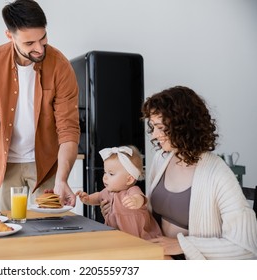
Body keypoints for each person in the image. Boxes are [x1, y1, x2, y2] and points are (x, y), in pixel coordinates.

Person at [100, 85, 257, 259]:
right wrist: (117, 209)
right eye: (153, 127)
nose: (154, 135)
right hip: (156, 255)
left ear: (182, 126)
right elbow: (147, 215)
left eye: (160, 128)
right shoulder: (161, 159)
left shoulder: (218, 173)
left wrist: (183, 245)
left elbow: (245, 248)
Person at [0, 0, 80, 210]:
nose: (39, 48)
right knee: (8, 227)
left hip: (47, 166)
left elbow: (68, 129)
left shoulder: (60, 66)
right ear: (10, 35)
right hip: (7, 165)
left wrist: (62, 179)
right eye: (29, 43)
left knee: (46, 232)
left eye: (43, 39)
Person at [76, 145, 162, 240]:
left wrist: (135, 201)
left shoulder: (132, 191)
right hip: (117, 237)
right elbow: (98, 197)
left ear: (129, 179)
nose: (105, 177)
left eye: (111, 174)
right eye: (105, 172)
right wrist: (87, 199)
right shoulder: (108, 192)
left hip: (139, 237)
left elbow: (140, 198)